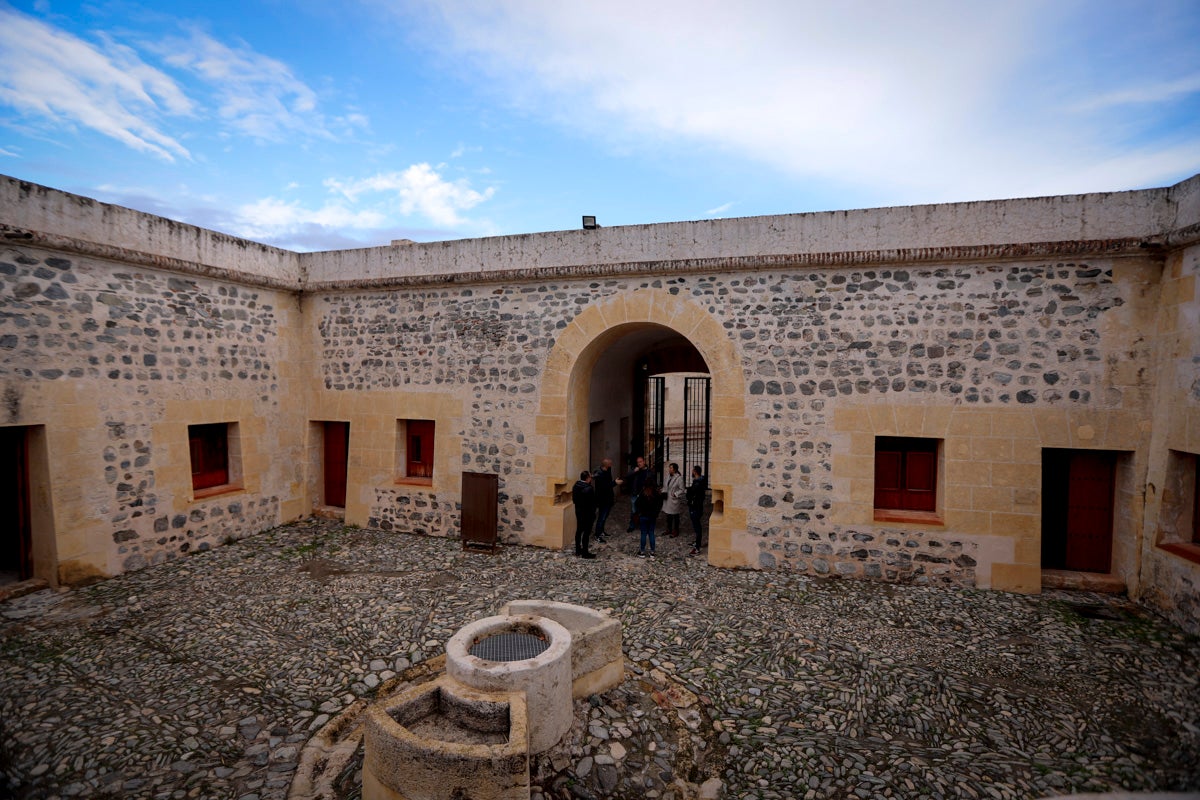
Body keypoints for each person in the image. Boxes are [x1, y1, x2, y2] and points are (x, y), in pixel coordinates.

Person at [592, 458, 620, 543]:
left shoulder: (607, 470)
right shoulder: (600, 475)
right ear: (606, 465)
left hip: (608, 498)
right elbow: (605, 486)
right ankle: (597, 535)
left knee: (605, 517)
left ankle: (601, 532)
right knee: (601, 517)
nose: (611, 465)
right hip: (602, 499)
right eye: (610, 464)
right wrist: (615, 482)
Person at [572, 470, 597, 559]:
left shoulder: (575, 486)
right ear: (587, 478)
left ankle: (578, 550)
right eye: (590, 477)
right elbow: (592, 503)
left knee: (579, 531)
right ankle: (585, 553)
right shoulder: (589, 489)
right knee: (586, 533)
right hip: (587, 514)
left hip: (579, 512)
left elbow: (574, 500)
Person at [634, 482, 663, 557]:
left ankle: (642, 551)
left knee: (643, 533)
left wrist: (639, 512)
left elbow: (636, 504)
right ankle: (652, 552)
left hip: (643, 516)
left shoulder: (642, 494)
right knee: (651, 533)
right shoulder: (656, 494)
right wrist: (656, 513)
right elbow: (660, 504)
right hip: (652, 516)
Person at [624, 456, 650, 531]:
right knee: (634, 510)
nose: (639, 463)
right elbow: (627, 476)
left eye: (640, 462)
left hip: (644, 494)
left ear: (644, 462)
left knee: (645, 510)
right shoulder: (635, 470)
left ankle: (644, 525)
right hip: (635, 493)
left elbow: (652, 481)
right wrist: (634, 471)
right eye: (638, 462)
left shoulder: (648, 471)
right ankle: (632, 525)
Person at [687, 465, 708, 556]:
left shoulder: (697, 484)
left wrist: (690, 498)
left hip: (695, 507)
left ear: (695, 472)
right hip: (697, 507)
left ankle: (697, 548)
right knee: (697, 526)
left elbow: (693, 495)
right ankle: (697, 542)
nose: (691, 472)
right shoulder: (699, 482)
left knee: (697, 527)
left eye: (692, 470)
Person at [662, 462, 685, 537]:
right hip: (667, 499)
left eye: (671, 468)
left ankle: (676, 530)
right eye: (669, 468)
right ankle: (669, 529)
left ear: (674, 469)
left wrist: (675, 494)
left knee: (675, 516)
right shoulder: (668, 476)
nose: (669, 469)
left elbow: (682, 489)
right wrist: (662, 491)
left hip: (674, 500)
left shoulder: (679, 478)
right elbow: (665, 486)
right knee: (668, 515)